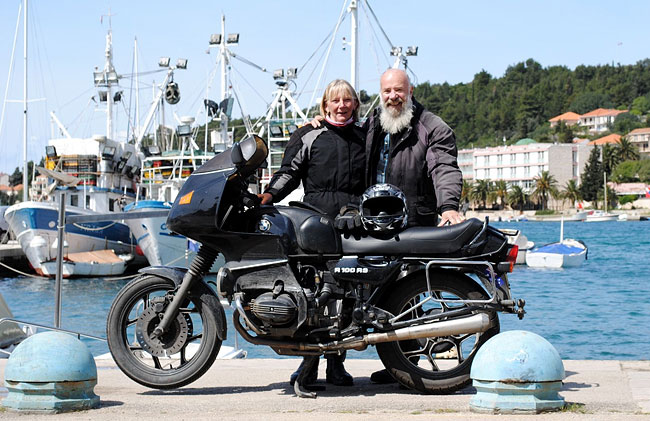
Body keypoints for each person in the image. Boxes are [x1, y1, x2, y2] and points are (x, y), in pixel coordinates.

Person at [311, 68, 465, 383]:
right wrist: (317, 125)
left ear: (410, 90)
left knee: (407, 291)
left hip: (411, 223)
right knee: (349, 285)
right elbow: (343, 132)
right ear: (380, 94)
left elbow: (444, 167)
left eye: (398, 90)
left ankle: (404, 364)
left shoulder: (431, 127)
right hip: (371, 222)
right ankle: (336, 361)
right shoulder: (374, 125)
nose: (392, 97)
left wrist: (448, 207)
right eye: (386, 92)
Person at [259, 79, 366, 387]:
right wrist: (267, 197)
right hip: (313, 224)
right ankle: (308, 363)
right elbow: (289, 173)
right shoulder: (309, 134)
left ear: (355, 105)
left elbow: (373, 176)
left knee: (345, 294)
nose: (342, 105)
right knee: (312, 294)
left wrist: (357, 208)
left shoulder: (364, 137)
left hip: (352, 223)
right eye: (336, 101)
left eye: (348, 100)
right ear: (325, 105)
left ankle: (337, 365)